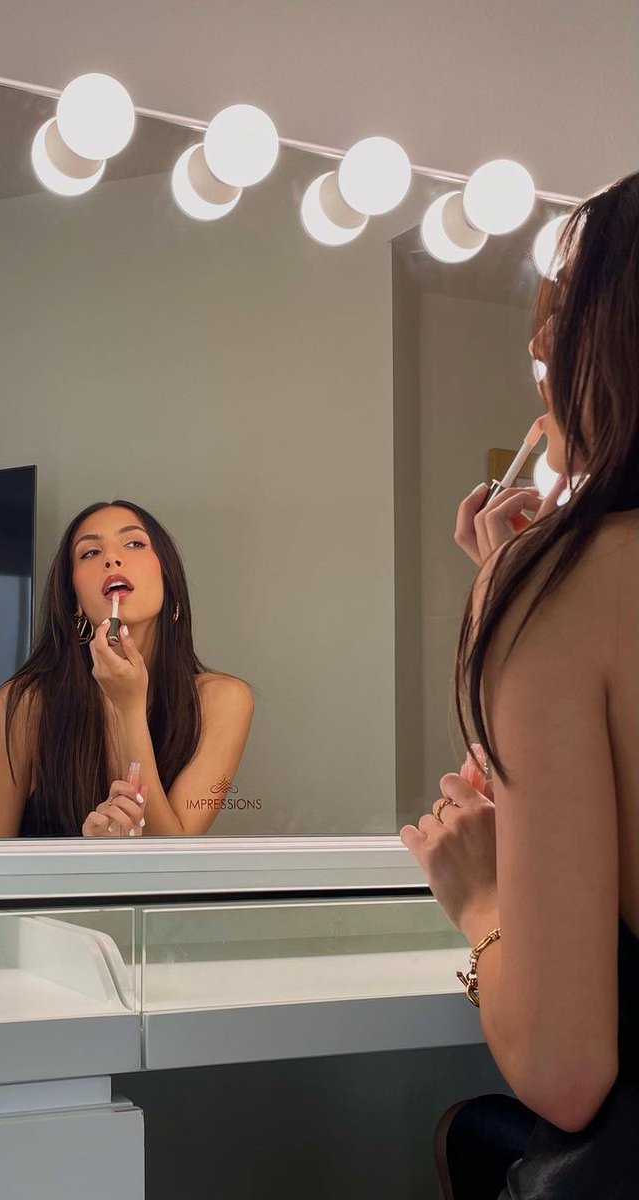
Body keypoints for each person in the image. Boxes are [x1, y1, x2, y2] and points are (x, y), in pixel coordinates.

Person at [401, 171, 639, 1197]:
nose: (539, 345)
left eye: (564, 310)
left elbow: (566, 1070)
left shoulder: (572, 589)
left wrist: (483, 897)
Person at [0, 499, 255, 838]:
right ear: (75, 600)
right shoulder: (24, 704)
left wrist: (128, 708)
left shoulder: (224, 700)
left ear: (169, 579)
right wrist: (87, 862)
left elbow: (174, 860)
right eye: (90, 553)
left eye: (134, 543)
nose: (111, 558)